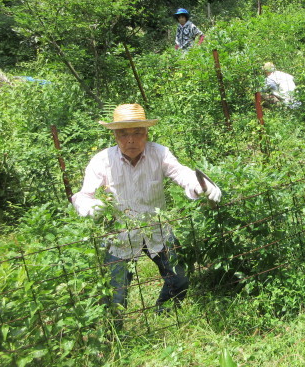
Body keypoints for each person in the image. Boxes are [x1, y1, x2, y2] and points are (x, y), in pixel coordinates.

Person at [71, 104, 222, 319]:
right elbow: (84, 195)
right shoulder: (102, 161)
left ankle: (164, 314)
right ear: (114, 135)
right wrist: (88, 206)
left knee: (179, 281)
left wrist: (201, 186)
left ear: (146, 133)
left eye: (137, 133)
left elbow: (181, 173)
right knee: (115, 295)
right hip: (119, 236)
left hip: (157, 229)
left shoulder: (159, 153)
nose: (130, 139)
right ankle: (114, 335)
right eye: (123, 134)